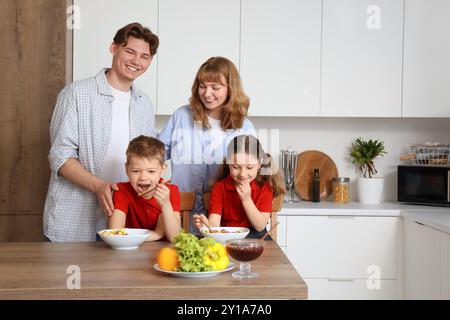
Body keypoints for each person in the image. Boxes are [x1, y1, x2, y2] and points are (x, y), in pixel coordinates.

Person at [43, 22, 159, 242]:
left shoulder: (144, 103)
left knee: (117, 277)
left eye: (145, 56)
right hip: (74, 219)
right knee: (70, 276)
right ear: (114, 48)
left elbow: (147, 160)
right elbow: (59, 155)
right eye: (130, 51)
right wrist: (99, 186)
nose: (136, 61)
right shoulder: (76, 94)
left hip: (124, 221)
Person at [158, 57, 256, 233]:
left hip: (222, 223)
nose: (207, 93)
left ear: (230, 88)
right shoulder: (181, 116)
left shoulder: (245, 127)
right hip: (180, 218)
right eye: (202, 86)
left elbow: (252, 174)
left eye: (215, 88)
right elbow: (156, 157)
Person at [193, 135, 285, 239]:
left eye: (249, 167)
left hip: (257, 239)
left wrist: (246, 199)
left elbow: (260, 226)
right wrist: (206, 226)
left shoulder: (265, 187)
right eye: (236, 167)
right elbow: (214, 223)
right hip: (227, 238)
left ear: (259, 164)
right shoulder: (220, 188)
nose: (242, 174)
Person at [108, 135, 181, 242]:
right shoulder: (121, 191)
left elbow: (175, 238)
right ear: (127, 169)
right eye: (136, 171)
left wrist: (165, 205)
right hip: (128, 254)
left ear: (163, 169)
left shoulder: (171, 191)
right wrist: (156, 235)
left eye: (151, 171)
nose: (143, 178)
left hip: (163, 255)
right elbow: (115, 232)